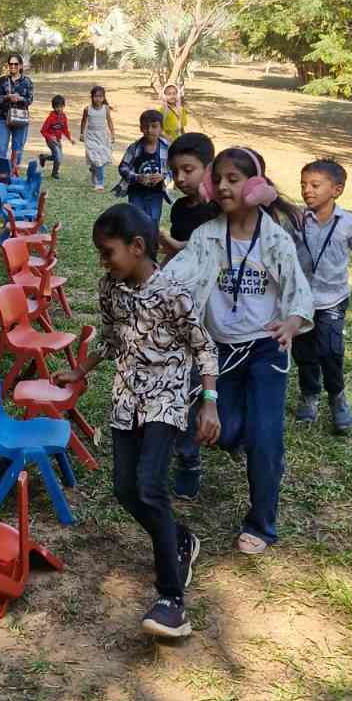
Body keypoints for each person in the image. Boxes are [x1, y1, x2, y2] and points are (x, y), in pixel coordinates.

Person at [76, 204, 219, 639]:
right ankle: (179, 538)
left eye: (108, 252)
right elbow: (111, 335)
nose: (104, 261)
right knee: (124, 487)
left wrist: (209, 402)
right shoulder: (110, 287)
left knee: (151, 486)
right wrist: (81, 371)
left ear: (138, 247)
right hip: (126, 398)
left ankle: (172, 599)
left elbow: (204, 348)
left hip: (166, 400)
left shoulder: (174, 293)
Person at [164, 146, 313, 555]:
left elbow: (300, 292)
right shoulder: (207, 235)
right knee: (223, 431)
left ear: (256, 186)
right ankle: (248, 432)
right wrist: (148, 291)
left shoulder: (275, 238)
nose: (225, 186)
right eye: (221, 179)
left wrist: (293, 321)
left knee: (266, 439)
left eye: (235, 178)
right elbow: (174, 275)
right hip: (220, 354)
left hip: (266, 350)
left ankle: (261, 524)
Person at [293, 158, 352, 435]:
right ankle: (309, 394)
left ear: (337, 190)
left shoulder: (349, 223)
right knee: (304, 352)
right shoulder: (295, 220)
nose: (308, 190)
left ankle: (337, 397)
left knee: (330, 351)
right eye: (303, 184)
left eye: (315, 185)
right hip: (301, 303)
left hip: (333, 300)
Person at [158, 133, 218, 500]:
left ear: (208, 168)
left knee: (205, 386)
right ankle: (186, 458)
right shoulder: (181, 209)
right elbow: (179, 260)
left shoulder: (222, 211)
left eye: (188, 170)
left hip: (217, 313)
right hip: (184, 311)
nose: (180, 178)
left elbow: (198, 254)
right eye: (174, 171)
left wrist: (166, 241)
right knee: (183, 385)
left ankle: (196, 452)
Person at [118, 110, 170, 225]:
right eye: (146, 126)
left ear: (161, 128)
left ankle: (151, 242)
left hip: (156, 193)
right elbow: (123, 167)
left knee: (154, 220)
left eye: (154, 126)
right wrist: (136, 177)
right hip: (136, 192)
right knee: (136, 219)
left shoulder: (167, 148)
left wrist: (163, 177)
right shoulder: (134, 148)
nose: (150, 130)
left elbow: (173, 169)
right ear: (141, 128)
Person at [0, 54, 34, 172]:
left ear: (20, 65)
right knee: (1, 147)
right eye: (10, 64)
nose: (13, 66)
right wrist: (7, 97)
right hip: (2, 118)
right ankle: (1, 174)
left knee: (18, 147)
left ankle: (13, 173)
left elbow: (30, 100)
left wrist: (20, 99)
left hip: (20, 119)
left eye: (16, 64)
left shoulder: (27, 82)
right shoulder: (3, 80)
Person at [81, 85, 115, 191]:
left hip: (103, 137)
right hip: (91, 136)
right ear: (92, 97)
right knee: (97, 160)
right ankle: (99, 183)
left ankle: (94, 168)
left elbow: (109, 121)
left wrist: (113, 134)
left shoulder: (106, 109)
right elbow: (83, 121)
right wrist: (82, 133)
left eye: (100, 96)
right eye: (96, 96)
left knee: (102, 159)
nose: (98, 98)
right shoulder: (87, 109)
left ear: (104, 97)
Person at [39, 95, 73, 179]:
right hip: (50, 140)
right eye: (57, 107)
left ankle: (43, 157)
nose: (59, 109)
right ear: (53, 107)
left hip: (58, 140)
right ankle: (55, 173)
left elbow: (65, 129)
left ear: (64, 106)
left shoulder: (63, 117)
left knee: (59, 157)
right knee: (58, 157)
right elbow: (43, 131)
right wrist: (50, 137)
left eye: (61, 107)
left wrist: (70, 139)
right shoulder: (50, 118)